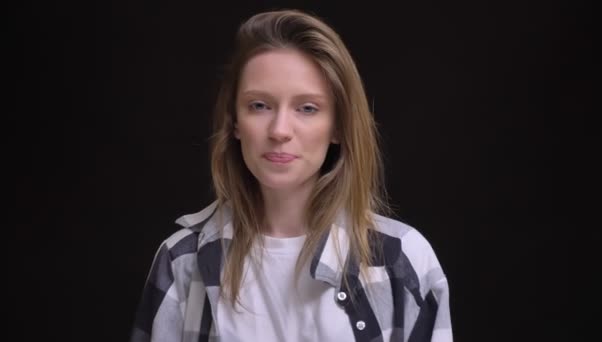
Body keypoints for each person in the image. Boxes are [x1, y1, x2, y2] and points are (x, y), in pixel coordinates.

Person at [130, 9, 452, 342]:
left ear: (338, 127)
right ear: (235, 122)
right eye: (259, 105)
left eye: (307, 108)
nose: (280, 130)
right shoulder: (182, 260)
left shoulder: (404, 260)